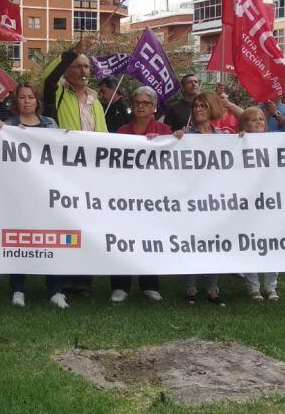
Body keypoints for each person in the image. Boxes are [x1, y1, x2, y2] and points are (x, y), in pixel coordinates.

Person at [43, 35, 105, 297]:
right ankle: (60, 281)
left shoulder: (96, 101)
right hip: (63, 171)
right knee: (62, 226)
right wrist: (71, 52)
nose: (83, 71)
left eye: (87, 67)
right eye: (78, 66)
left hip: (91, 174)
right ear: (67, 71)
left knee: (87, 227)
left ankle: (82, 282)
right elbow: (47, 78)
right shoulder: (57, 92)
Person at [1, 83, 69, 308]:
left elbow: (61, 153)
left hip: (46, 192)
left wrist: (67, 138)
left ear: (37, 101)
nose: (27, 101)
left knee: (52, 239)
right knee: (20, 238)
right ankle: (18, 289)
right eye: (22, 97)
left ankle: (56, 290)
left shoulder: (50, 124)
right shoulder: (8, 126)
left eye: (31, 97)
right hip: (18, 192)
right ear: (16, 101)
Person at [110, 85, 169, 303]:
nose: (140, 106)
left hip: (153, 197)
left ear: (154, 107)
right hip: (125, 195)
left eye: (145, 103)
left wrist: (165, 142)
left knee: (150, 240)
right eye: (137, 103)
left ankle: (150, 285)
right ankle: (120, 286)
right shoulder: (122, 132)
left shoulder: (164, 131)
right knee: (122, 240)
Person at [174, 91, 231, 306]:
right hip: (191, 199)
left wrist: (243, 140)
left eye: (202, 106)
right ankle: (190, 285)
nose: (197, 109)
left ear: (212, 109)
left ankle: (212, 287)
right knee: (192, 241)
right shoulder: (185, 135)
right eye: (195, 106)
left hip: (216, 200)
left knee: (213, 243)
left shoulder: (224, 137)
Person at [237, 108, 279, 303]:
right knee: (250, 243)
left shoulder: (277, 142)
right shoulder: (238, 141)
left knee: (273, 243)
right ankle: (253, 287)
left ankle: (271, 287)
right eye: (253, 120)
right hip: (247, 204)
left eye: (262, 119)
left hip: (271, 203)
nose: (259, 122)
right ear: (245, 124)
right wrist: (239, 141)